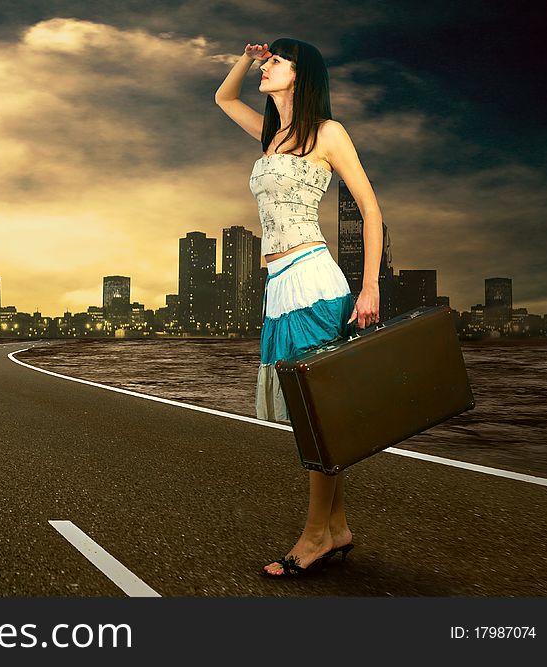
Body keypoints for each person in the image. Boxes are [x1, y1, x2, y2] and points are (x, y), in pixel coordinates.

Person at [215, 38, 382, 576]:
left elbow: (370, 209)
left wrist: (370, 285)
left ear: (302, 74)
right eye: (267, 60)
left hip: (312, 277)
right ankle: (335, 529)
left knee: (315, 417)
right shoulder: (272, 135)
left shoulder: (327, 133)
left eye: (276, 61)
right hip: (279, 283)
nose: (267, 67)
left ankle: (314, 537)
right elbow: (223, 98)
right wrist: (246, 57)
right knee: (311, 417)